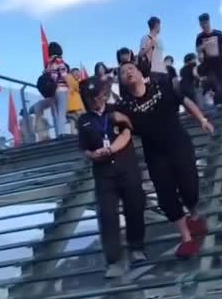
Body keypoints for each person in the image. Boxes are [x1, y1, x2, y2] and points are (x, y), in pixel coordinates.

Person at [116, 61, 213, 258]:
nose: (128, 72)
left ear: (139, 72)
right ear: (121, 81)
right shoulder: (124, 107)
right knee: (166, 197)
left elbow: (185, 101)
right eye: (123, 72)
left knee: (189, 188)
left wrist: (202, 119)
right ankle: (185, 237)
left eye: (131, 69)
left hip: (180, 146)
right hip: (155, 155)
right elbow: (122, 130)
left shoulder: (160, 88)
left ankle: (193, 215)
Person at [77, 77, 148, 277]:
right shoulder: (84, 121)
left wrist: (112, 149)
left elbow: (127, 133)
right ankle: (114, 260)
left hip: (126, 165)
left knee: (134, 206)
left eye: (98, 96)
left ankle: (137, 248)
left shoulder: (116, 110)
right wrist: (93, 155)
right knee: (108, 215)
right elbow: (84, 148)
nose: (96, 101)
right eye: (91, 98)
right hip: (103, 173)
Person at [195, 13, 222, 105]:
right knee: (216, 87)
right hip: (209, 67)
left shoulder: (218, 34)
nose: (203, 26)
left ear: (208, 22)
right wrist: (201, 50)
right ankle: (219, 106)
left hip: (221, 64)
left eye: (205, 23)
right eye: (201, 24)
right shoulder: (200, 37)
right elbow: (198, 53)